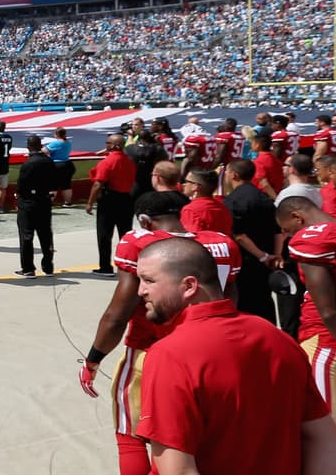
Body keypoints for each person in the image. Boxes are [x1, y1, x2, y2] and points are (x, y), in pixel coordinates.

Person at [134, 236, 336, 475]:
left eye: (148, 280)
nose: (141, 291)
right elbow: (323, 439)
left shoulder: (169, 355)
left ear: (189, 286)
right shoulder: (277, 338)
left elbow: (178, 470)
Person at [77, 190, 241, 475]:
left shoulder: (141, 242)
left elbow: (118, 314)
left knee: (132, 437)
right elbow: (231, 300)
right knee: (190, 439)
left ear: (144, 220)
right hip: (211, 352)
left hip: (150, 351)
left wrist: (93, 360)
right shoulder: (222, 243)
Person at [278, 195, 336, 418]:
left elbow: (328, 312)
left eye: (287, 229)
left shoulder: (311, 240)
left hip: (328, 340)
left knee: (321, 428)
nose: (287, 236)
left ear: (297, 217)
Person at [222, 158, 282, 325]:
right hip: (267, 262)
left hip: (247, 261)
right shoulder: (264, 198)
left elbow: (239, 235)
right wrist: (275, 255)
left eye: (227, 172)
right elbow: (278, 230)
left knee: (245, 305)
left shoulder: (232, 201)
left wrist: (261, 256)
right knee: (264, 300)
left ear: (234, 175)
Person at [87, 134, 136, 276]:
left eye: (108, 143)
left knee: (104, 234)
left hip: (109, 200)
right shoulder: (130, 162)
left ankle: (105, 266)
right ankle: (128, 264)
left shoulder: (107, 162)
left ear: (114, 146)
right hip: (126, 199)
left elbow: (98, 183)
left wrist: (90, 202)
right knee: (125, 234)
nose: (106, 145)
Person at [14, 135, 55, 277]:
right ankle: (48, 266)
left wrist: (18, 197)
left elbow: (21, 185)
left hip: (28, 202)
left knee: (26, 235)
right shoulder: (48, 161)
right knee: (46, 235)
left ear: (28, 146)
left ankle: (28, 268)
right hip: (44, 200)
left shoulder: (28, 164)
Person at [179, 169, 232, 235]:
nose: (184, 184)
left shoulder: (190, 210)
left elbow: (192, 238)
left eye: (187, 181)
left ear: (195, 186)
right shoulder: (223, 208)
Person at [125, 130, 167, 204]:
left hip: (135, 182)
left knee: (131, 205)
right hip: (151, 182)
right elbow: (164, 161)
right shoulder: (157, 149)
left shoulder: (129, 149)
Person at [45, 127, 75, 206]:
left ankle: (48, 203)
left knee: (53, 186)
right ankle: (68, 202)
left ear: (56, 134)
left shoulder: (56, 143)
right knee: (66, 185)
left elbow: (45, 151)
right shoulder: (68, 142)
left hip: (57, 165)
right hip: (67, 164)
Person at [252, 133, 284, 198]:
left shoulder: (258, 161)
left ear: (257, 145)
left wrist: (276, 199)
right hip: (277, 192)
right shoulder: (276, 159)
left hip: (264, 197)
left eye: (252, 143)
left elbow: (264, 183)